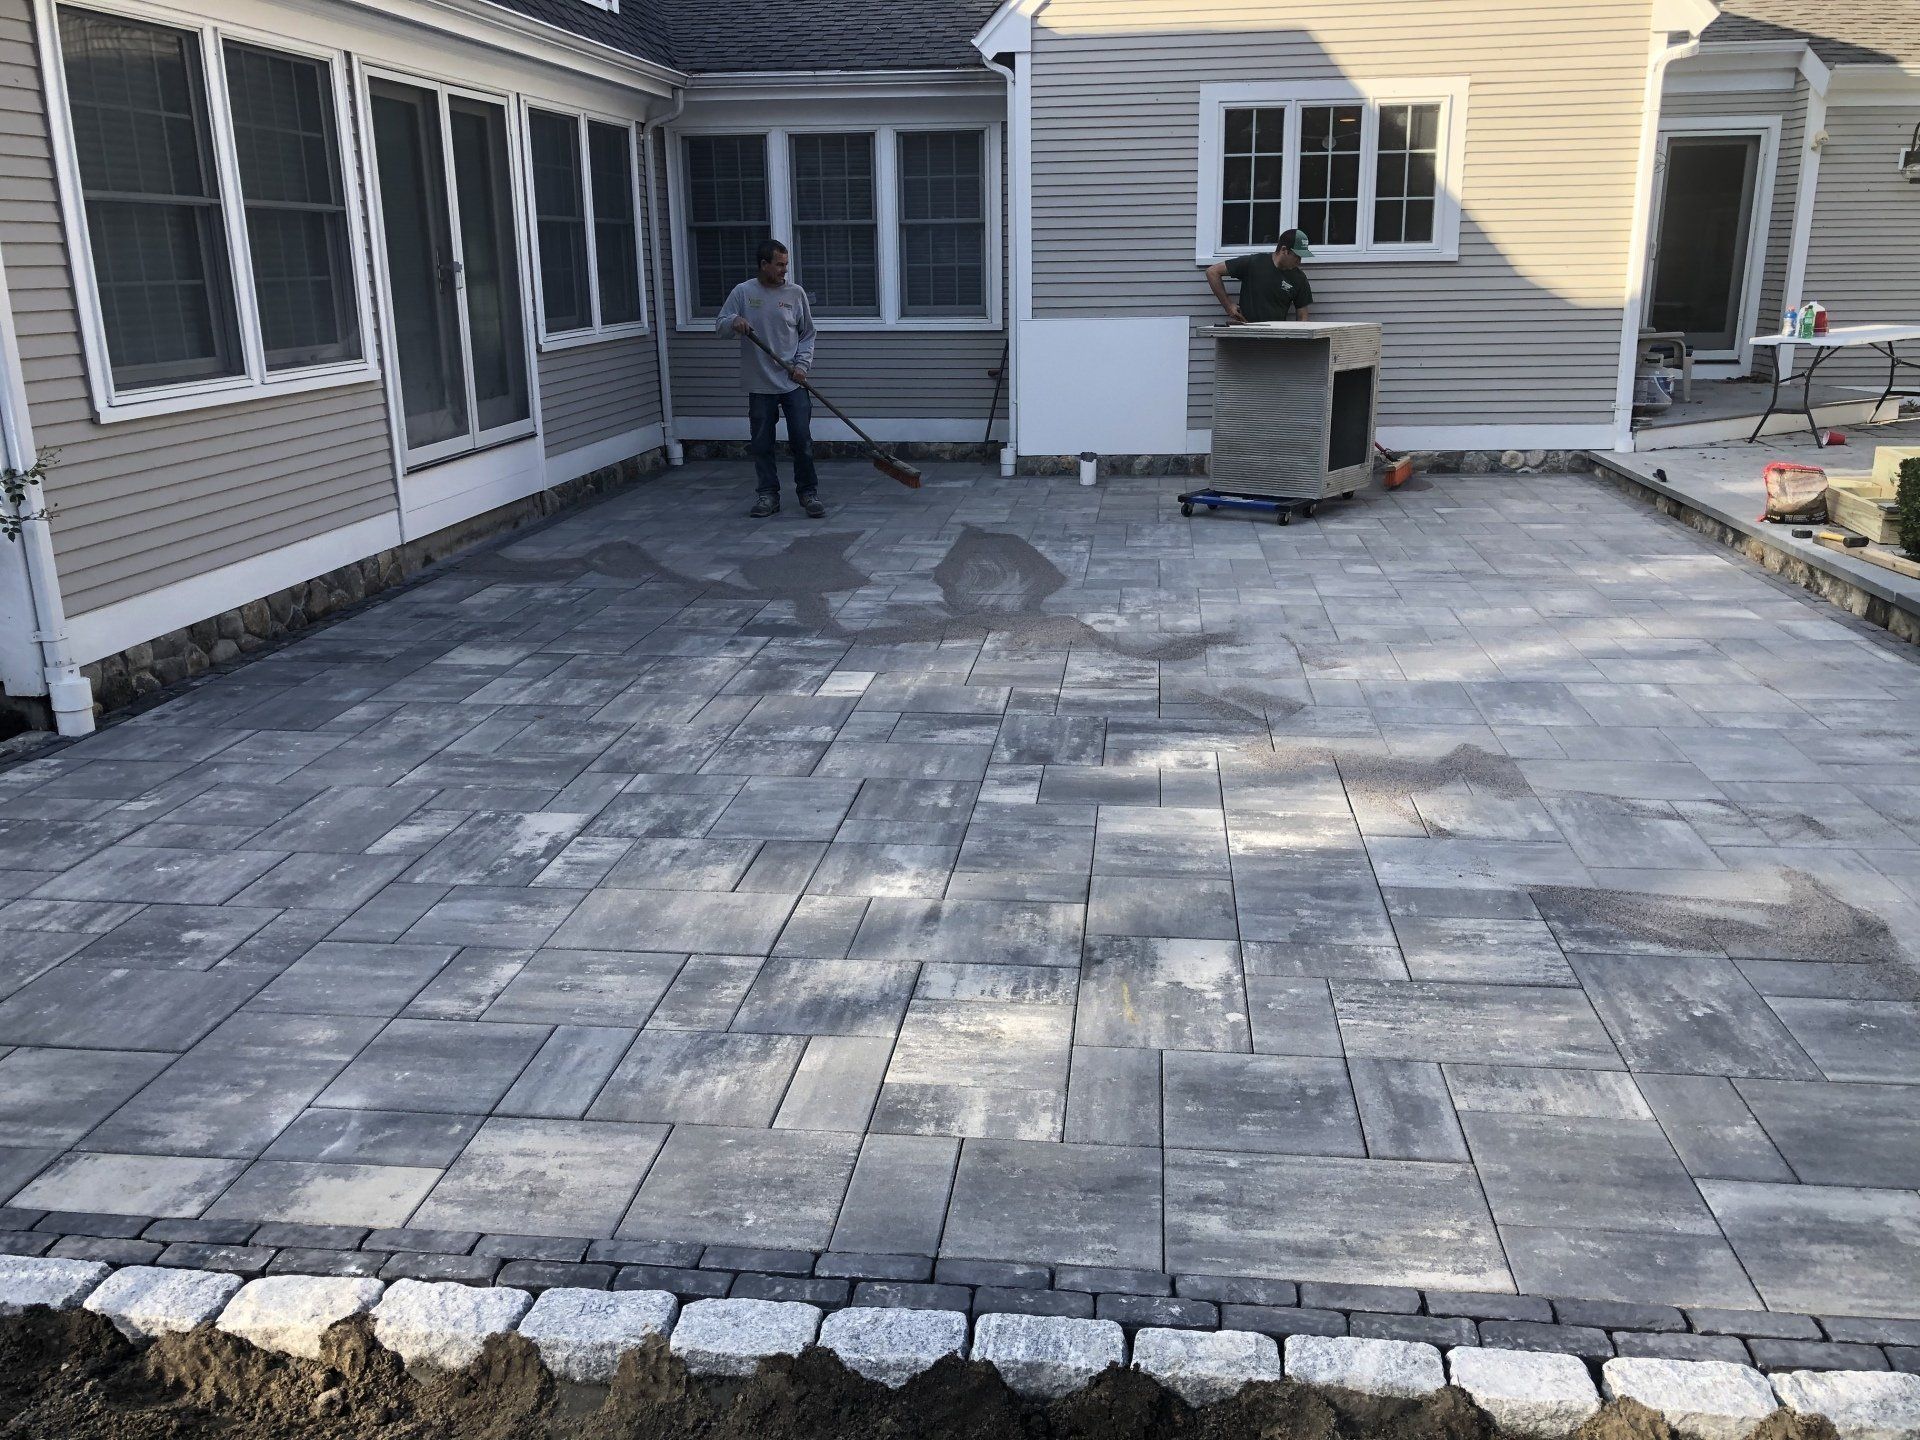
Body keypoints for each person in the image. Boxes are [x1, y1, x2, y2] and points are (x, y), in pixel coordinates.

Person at [717, 240, 823, 518]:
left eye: (785, 264)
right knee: (762, 443)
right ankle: (767, 496)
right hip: (759, 384)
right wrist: (734, 322)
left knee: (802, 440)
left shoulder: (795, 294)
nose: (784, 270)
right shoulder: (743, 292)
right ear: (764, 264)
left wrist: (802, 365)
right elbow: (721, 326)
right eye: (779, 264)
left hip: (792, 382)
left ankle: (808, 493)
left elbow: (808, 334)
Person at [1206, 228, 1314, 324]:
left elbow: (1302, 316)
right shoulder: (1254, 263)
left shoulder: (1299, 278)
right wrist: (1228, 306)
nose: (1299, 261)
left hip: (1277, 338)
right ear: (1284, 250)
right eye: (1297, 256)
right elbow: (1212, 272)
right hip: (1247, 335)